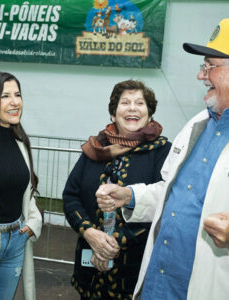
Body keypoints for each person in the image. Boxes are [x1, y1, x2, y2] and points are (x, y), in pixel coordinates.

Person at [96, 18, 229, 300]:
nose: (201, 76)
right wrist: (129, 195)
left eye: (210, 67)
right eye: (202, 67)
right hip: (159, 285)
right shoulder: (197, 126)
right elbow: (172, 194)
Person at [63, 79, 171, 300]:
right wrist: (91, 235)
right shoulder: (95, 149)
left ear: (149, 114)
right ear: (113, 114)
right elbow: (71, 196)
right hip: (89, 269)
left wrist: (110, 245)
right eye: (125, 102)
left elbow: (165, 206)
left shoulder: (164, 153)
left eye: (140, 103)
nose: (132, 108)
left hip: (136, 271)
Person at [0, 71, 42, 300]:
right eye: (5, 96)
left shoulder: (20, 141)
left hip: (16, 240)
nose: (15, 102)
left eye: (18, 94)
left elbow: (26, 191)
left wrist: (33, 222)